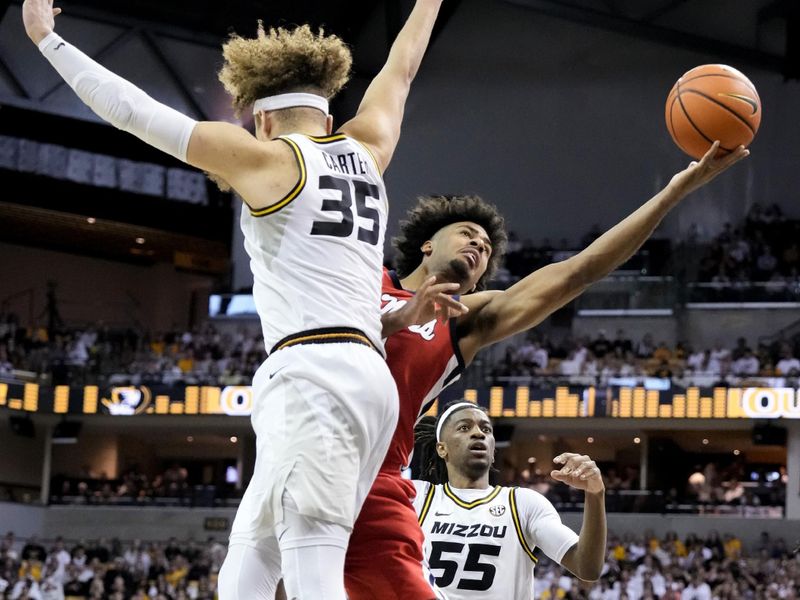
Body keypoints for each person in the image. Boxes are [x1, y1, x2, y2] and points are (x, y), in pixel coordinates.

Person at [22, 0, 446, 598]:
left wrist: (46, 39)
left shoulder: (269, 159)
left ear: (263, 119)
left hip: (314, 376)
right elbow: (400, 70)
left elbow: (131, 111)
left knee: (312, 572)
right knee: (245, 568)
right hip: (366, 375)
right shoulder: (369, 147)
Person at [345, 141, 749, 599]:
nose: (479, 243)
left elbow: (577, 272)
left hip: (371, 479)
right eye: (467, 233)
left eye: (486, 246)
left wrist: (674, 192)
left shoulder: (461, 323)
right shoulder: (363, 278)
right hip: (304, 442)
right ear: (427, 243)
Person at [412, 401, 605, 598]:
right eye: (464, 427)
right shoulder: (418, 498)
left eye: (486, 429)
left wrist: (595, 495)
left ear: (493, 450)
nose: (479, 433)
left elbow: (587, 567)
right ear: (441, 448)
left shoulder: (522, 503)